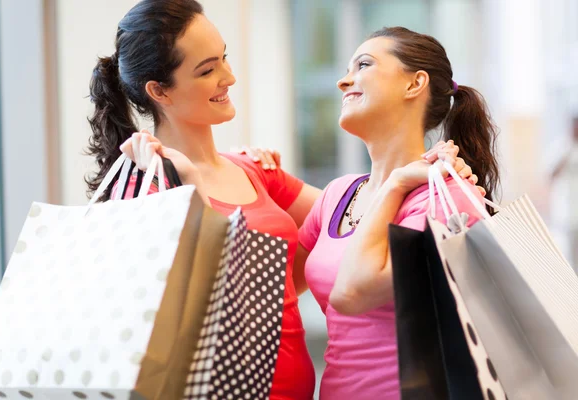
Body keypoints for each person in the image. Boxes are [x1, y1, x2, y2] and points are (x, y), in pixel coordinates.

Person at [86, 0, 484, 398]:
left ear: (416, 84)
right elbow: (225, 296)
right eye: (207, 70)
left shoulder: (261, 171)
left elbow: (308, 269)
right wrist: (190, 184)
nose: (229, 76)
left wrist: (440, 180)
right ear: (159, 91)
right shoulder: (151, 191)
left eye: (223, 58)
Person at [296, 27, 500, 399]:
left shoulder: (451, 200)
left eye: (363, 65)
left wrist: (395, 185)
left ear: (414, 84)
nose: (344, 81)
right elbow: (278, 288)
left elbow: (352, 292)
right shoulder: (338, 194)